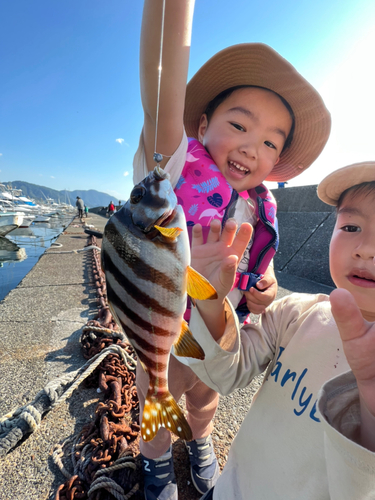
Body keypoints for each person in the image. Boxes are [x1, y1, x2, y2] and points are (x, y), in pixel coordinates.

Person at [133, 1, 330, 498]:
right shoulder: (175, 166)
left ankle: (199, 442)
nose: (250, 148)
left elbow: (257, 270)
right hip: (168, 330)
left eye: (269, 142)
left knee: (204, 400)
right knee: (160, 396)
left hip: (225, 331)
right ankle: (154, 459)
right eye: (239, 127)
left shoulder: (258, 205)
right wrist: (175, 11)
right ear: (200, 127)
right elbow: (161, 90)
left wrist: (266, 287)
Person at [183, 161, 375, 499]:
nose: (366, 248)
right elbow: (225, 373)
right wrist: (210, 301)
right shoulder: (294, 312)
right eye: (351, 227)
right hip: (229, 489)